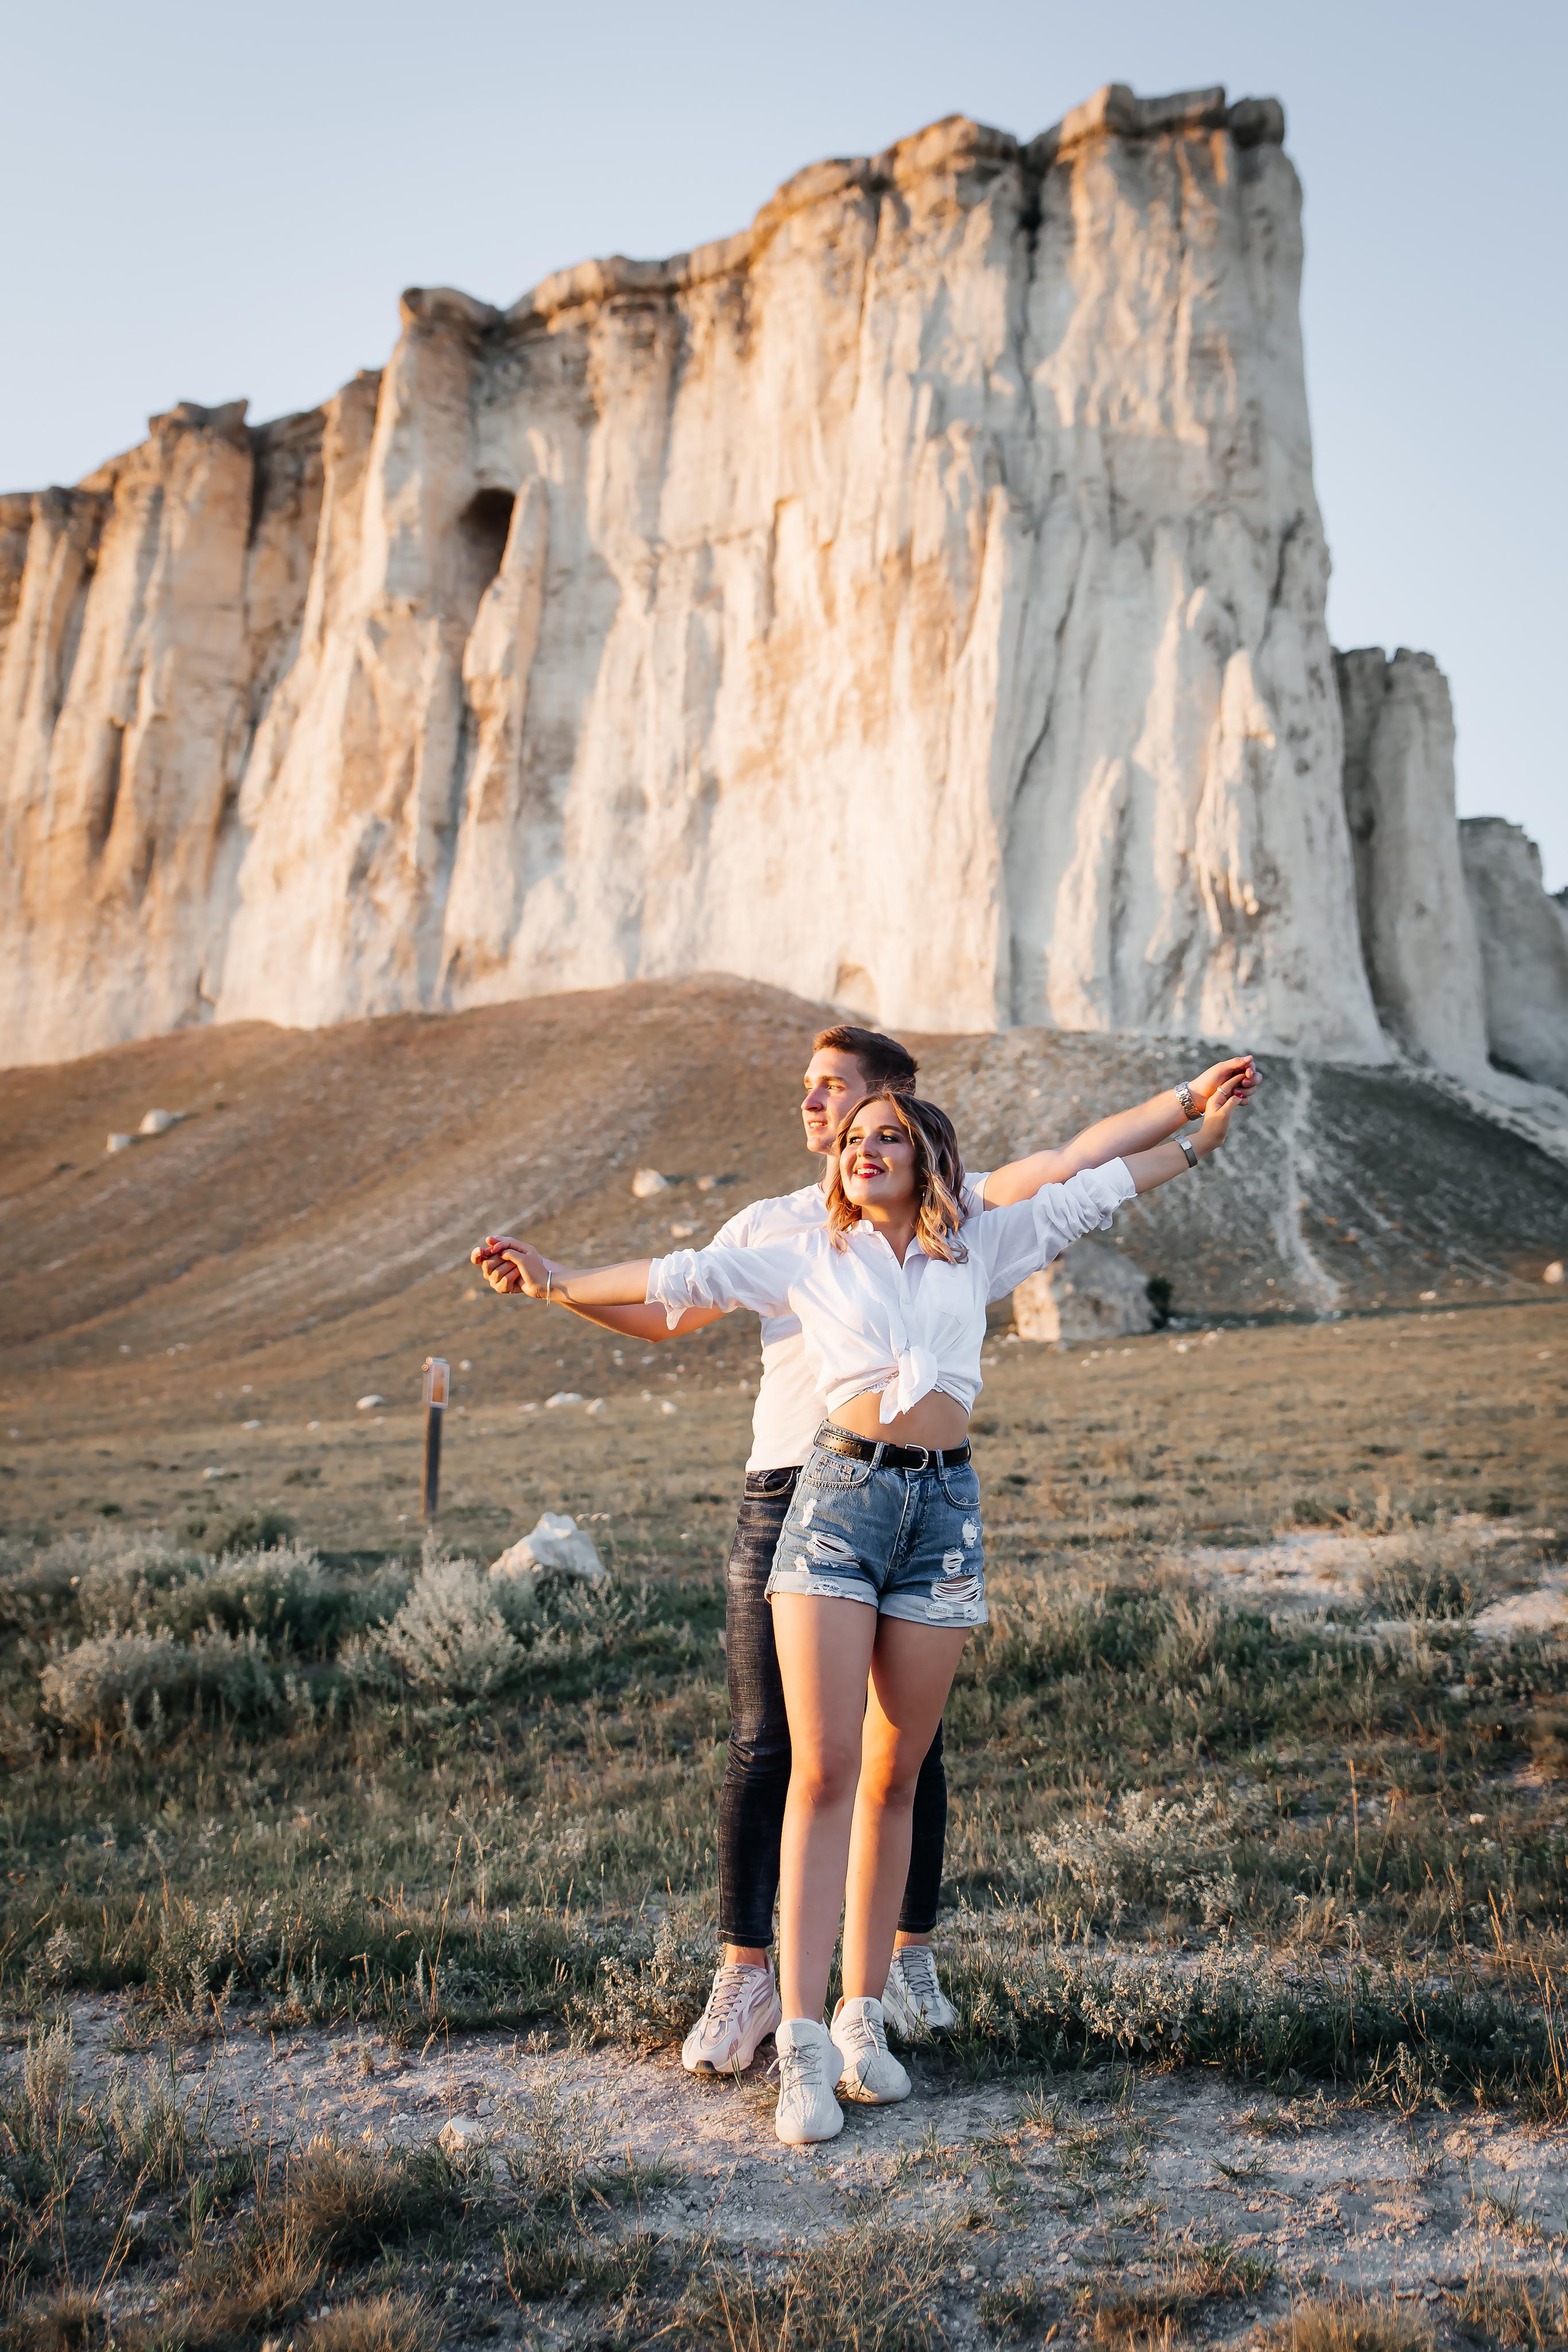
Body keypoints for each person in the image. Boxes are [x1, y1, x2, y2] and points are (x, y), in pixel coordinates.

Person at [475, 1065, 1248, 2142]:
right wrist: (555, 1279)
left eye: (884, 1135)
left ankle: (861, 2019)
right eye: (852, 1141)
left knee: (895, 1776)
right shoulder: (805, 1252)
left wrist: (1198, 1131)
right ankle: (798, 2049)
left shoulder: (980, 1243)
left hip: (945, 1515)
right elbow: (675, 1275)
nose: (862, 1149)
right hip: (836, 1502)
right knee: (825, 1768)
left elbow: (1094, 1185)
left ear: (926, 1157)